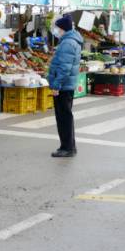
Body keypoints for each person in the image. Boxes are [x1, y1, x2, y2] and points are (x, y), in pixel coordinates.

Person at [47, 16, 83, 158]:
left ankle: (67, 148)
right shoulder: (72, 40)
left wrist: (56, 85)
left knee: (63, 118)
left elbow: (64, 68)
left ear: (62, 29)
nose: (55, 30)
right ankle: (69, 146)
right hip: (67, 85)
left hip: (64, 86)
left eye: (57, 28)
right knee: (66, 116)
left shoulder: (67, 43)